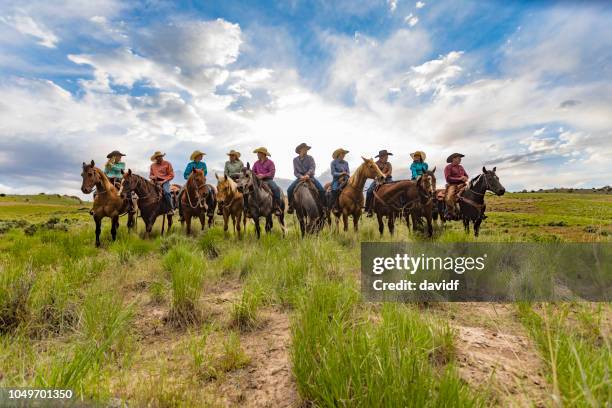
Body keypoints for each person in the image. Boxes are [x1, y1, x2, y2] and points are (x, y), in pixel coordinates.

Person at [287, 143, 326, 214]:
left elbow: (312, 167)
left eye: (306, 149)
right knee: (289, 190)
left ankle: (323, 206)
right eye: (304, 149)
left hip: (310, 177)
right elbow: (295, 172)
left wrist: (308, 174)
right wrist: (301, 176)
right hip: (300, 178)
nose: (306, 150)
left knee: (321, 190)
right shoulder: (295, 160)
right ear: (300, 150)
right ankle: (291, 206)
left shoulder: (310, 158)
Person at [252, 147, 282, 215]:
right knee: (248, 189)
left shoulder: (270, 163)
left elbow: (272, 172)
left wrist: (263, 175)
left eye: (258, 153)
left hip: (268, 180)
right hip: (257, 180)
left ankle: (276, 207)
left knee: (276, 189)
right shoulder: (256, 163)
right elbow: (253, 172)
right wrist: (256, 175)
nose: (257, 155)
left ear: (263, 154)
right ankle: (248, 208)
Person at [366, 150, 393, 217]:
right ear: (381, 157)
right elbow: (373, 172)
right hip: (378, 180)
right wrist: (377, 178)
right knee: (369, 191)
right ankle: (368, 209)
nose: (387, 157)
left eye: (387, 156)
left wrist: (384, 175)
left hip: (388, 179)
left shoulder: (388, 164)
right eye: (386, 156)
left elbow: (389, 172)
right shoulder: (376, 164)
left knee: (394, 189)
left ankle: (397, 208)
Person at [444, 152, 468, 220]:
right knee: (449, 197)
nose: (460, 159)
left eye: (460, 158)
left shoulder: (461, 167)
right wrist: (459, 179)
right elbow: (448, 178)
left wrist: (465, 178)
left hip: (463, 184)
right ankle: (450, 213)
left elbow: (466, 175)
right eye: (459, 158)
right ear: (453, 159)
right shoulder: (448, 167)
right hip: (453, 185)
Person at [330, 148, 350, 212]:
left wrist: (346, 175)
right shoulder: (333, 163)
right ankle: (335, 206)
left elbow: (348, 171)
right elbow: (333, 173)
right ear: (339, 154)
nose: (344, 155)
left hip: (346, 178)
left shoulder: (346, 163)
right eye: (342, 153)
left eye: (344, 154)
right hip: (336, 180)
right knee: (335, 189)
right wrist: (341, 174)